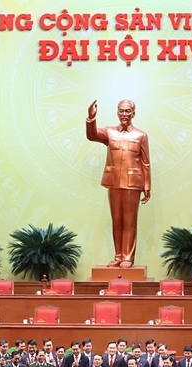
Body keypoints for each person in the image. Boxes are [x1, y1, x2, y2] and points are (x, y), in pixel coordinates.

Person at [84, 99, 151, 267]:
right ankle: (119, 256)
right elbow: (92, 135)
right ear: (117, 112)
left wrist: (147, 187)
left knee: (129, 222)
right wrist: (91, 118)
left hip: (133, 184)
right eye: (122, 110)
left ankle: (128, 257)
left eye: (128, 111)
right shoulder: (109, 132)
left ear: (133, 113)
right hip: (114, 182)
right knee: (117, 221)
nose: (124, 114)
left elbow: (145, 163)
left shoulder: (141, 135)